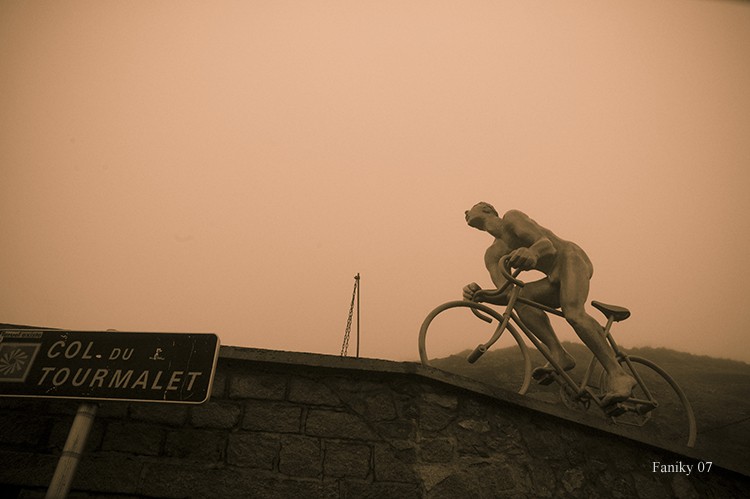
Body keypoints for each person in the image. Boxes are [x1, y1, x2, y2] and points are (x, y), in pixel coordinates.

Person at [462, 202, 636, 405]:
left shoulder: (512, 218)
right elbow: (508, 294)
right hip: (551, 278)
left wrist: (533, 252)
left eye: (471, 207)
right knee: (520, 301)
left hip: (569, 258)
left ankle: (619, 375)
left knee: (573, 313)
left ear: (487, 210)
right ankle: (559, 354)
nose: (465, 212)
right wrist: (481, 295)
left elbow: (547, 245)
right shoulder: (492, 254)